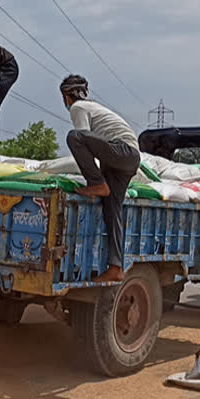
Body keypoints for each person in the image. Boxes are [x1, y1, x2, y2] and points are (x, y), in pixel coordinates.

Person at [60, 75, 140, 283]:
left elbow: (82, 137)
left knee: (73, 137)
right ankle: (116, 267)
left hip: (120, 151)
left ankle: (96, 184)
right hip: (125, 159)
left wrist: (93, 178)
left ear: (66, 97)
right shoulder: (95, 107)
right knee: (112, 209)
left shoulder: (78, 107)